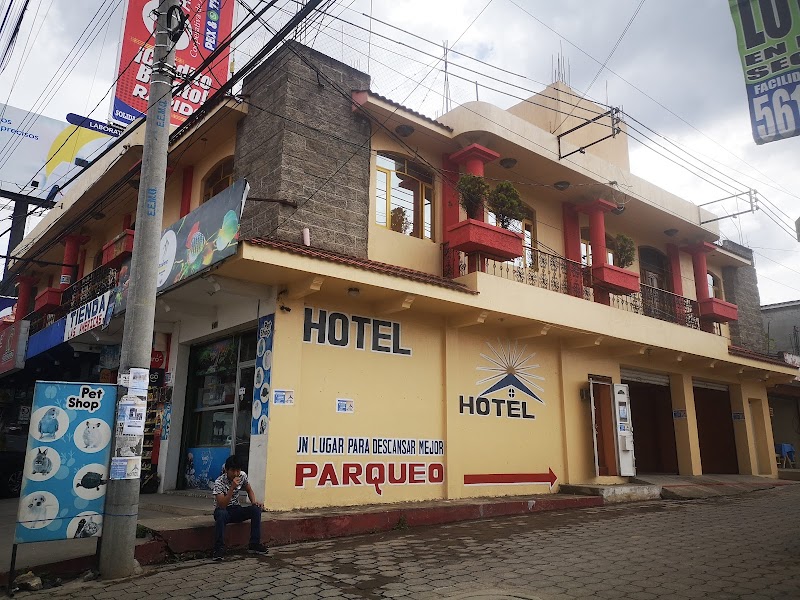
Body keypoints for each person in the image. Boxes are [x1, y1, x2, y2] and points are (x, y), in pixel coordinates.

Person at [212, 455, 268, 560]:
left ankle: (254, 544)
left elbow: (249, 490)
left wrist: (254, 502)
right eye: (233, 471)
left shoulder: (242, 476)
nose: (236, 474)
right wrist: (232, 488)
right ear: (226, 470)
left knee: (256, 510)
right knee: (221, 514)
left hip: (236, 509)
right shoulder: (219, 482)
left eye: (238, 470)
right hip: (223, 511)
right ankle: (218, 549)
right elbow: (222, 505)